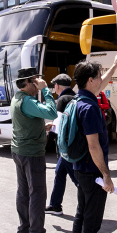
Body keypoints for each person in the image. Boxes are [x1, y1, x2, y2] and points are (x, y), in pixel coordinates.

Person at [71, 55, 117, 233]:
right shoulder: (90, 108)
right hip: (92, 172)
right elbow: (94, 146)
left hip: (79, 168)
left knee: (81, 216)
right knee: (91, 222)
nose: (102, 80)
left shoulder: (79, 99)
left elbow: (101, 84)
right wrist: (106, 176)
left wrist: (114, 65)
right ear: (90, 80)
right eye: (99, 76)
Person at [10, 67, 59, 233]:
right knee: (37, 194)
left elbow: (26, 120)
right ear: (29, 82)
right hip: (31, 153)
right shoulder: (28, 100)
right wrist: (46, 90)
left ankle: (24, 231)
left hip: (19, 150)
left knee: (23, 192)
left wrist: (40, 128)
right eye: (36, 81)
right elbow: (52, 112)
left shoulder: (17, 98)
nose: (38, 84)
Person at [45, 73, 78, 215]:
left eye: (54, 86)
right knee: (59, 173)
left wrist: (48, 133)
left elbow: (59, 125)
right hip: (73, 143)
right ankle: (55, 205)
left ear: (57, 86)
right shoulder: (74, 96)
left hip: (65, 146)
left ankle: (90, 202)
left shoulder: (62, 99)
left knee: (77, 179)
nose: (54, 88)